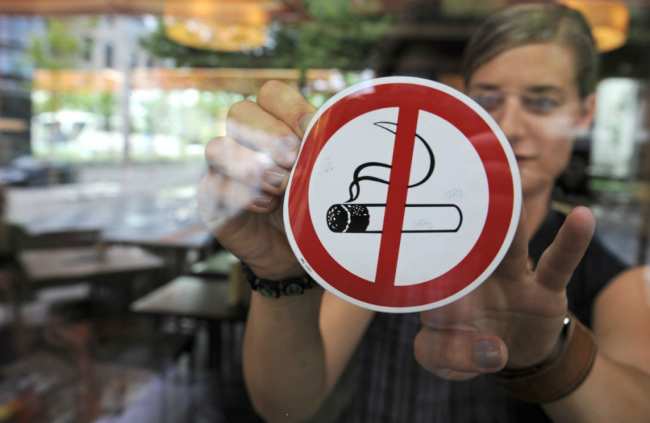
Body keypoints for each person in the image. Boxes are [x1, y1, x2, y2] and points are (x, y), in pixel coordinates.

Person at [198, 4, 650, 422]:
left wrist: (551, 355)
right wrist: (281, 275)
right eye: (489, 99)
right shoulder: (389, 234)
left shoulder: (613, 281)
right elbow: (286, 407)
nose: (511, 125)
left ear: (585, 112)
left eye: (543, 101)